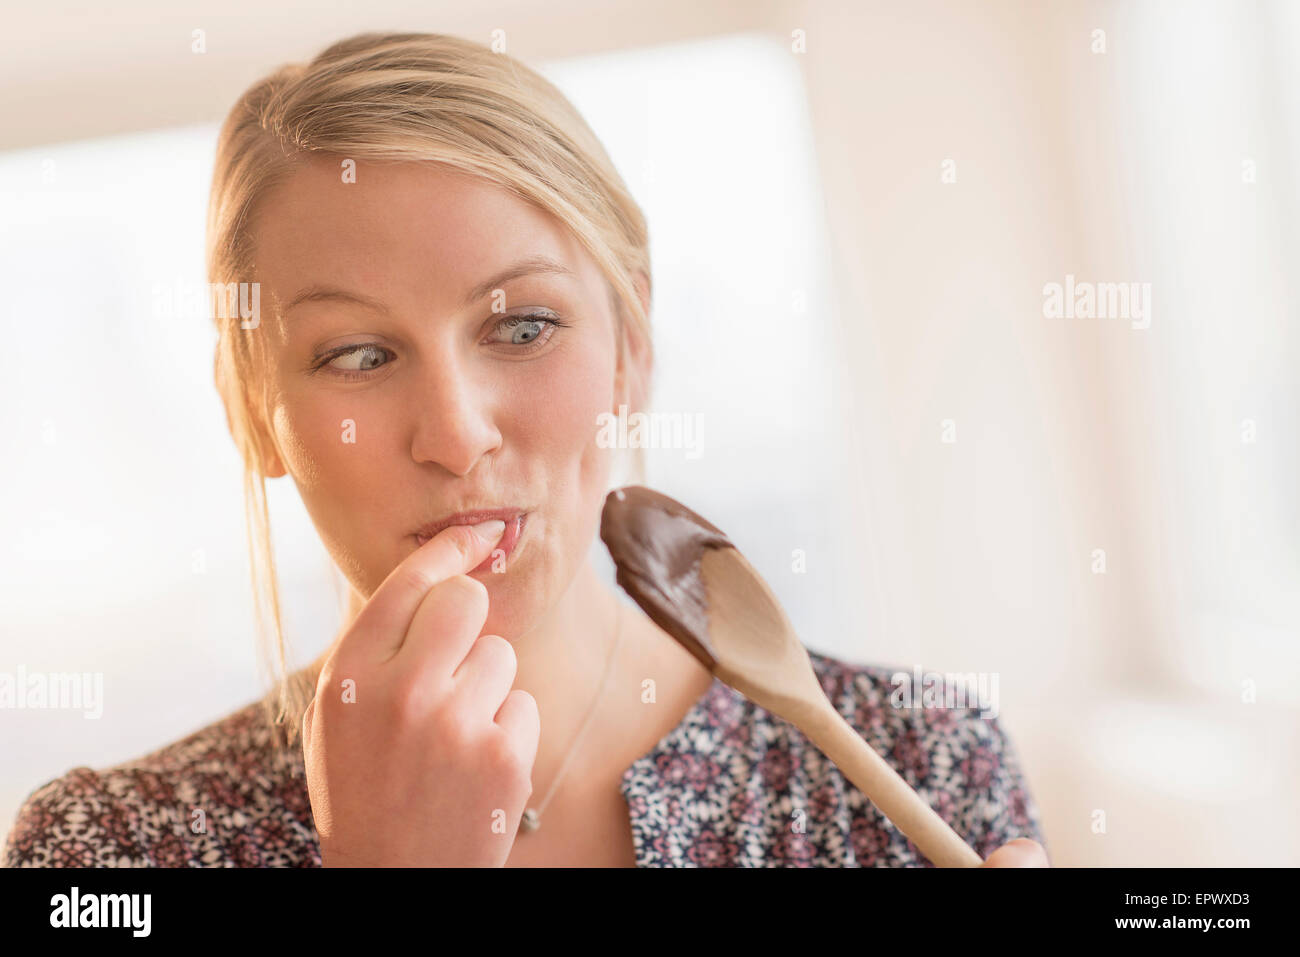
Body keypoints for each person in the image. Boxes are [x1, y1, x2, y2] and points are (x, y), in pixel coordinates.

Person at [3, 31, 1048, 868]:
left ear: (632, 346)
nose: (456, 435)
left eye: (522, 328)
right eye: (361, 354)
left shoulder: (916, 766)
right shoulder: (108, 861)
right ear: (252, 415)